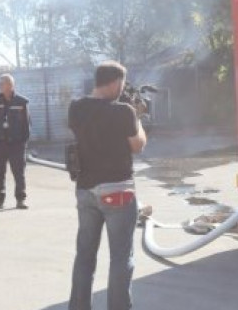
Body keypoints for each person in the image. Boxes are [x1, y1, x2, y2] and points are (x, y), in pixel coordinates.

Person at [68, 61, 147, 310]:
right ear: (115, 82)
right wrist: (138, 117)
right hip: (118, 191)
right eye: (121, 84)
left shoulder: (75, 108)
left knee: (84, 257)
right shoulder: (124, 111)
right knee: (121, 258)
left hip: (85, 190)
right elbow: (138, 145)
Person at [0, 74, 31, 210]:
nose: (0, 85)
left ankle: (20, 200)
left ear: (11, 85)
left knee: (19, 172)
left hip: (16, 144)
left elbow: (26, 124)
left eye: (3, 83)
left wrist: (23, 142)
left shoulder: (22, 102)